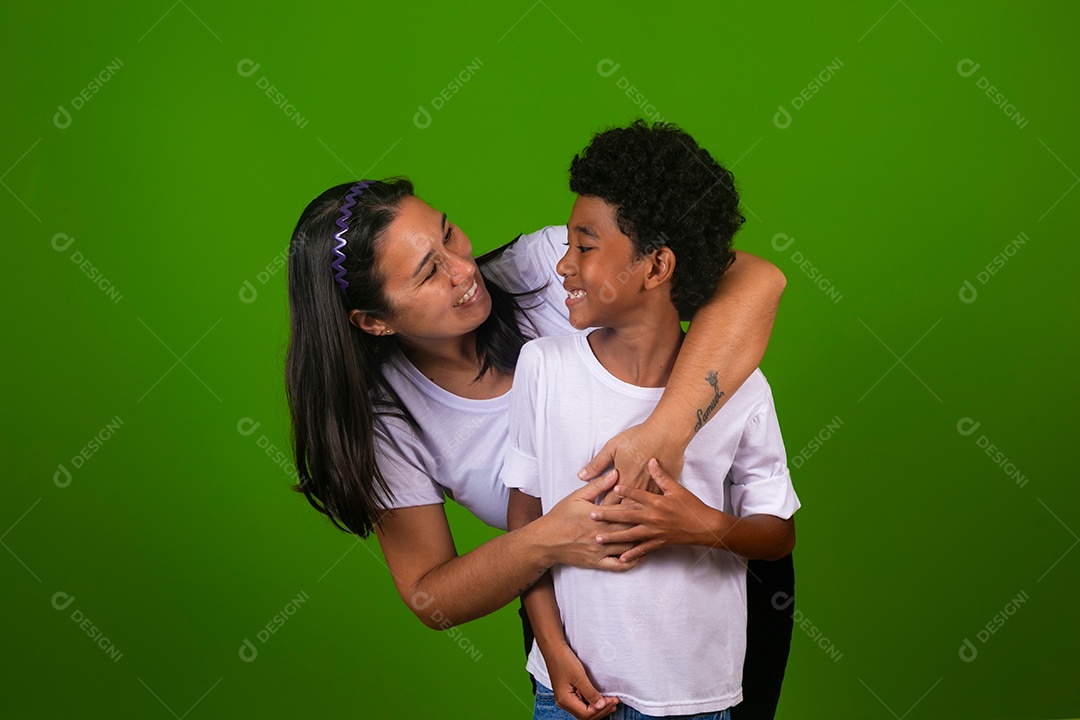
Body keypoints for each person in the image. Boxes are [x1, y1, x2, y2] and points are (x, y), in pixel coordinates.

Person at [284, 147, 786, 711]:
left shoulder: (546, 267)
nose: (463, 269)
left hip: (716, 584)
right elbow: (431, 593)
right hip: (572, 619)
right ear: (373, 321)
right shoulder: (388, 421)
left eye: (448, 235)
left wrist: (663, 435)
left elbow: (756, 279)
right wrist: (550, 549)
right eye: (429, 272)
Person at [503, 120, 800, 720]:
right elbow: (524, 526)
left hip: (699, 699)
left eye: (584, 247)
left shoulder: (739, 389)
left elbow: (777, 535)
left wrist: (699, 525)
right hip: (569, 691)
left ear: (657, 265)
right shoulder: (543, 367)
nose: (562, 266)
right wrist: (551, 650)